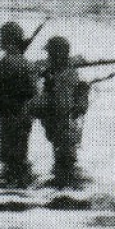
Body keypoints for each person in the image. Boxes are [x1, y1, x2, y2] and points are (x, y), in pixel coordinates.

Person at [0, 21, 40, 174]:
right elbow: (33, 89)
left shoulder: (7, 62)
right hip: (24, 115)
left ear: (8, 40)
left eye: (2, 37)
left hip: (9, 114)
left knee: (10, 159)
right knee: (20, 156)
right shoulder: (26, 63)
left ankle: (12, 183)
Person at [32, 36, 92, 176]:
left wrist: (48, 84)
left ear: (57, 55)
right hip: (64, 131)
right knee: (65, 165)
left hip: (64, 130)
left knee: (64, 166)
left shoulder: (64, 77)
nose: (48, 57)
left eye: (50, 54)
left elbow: (61, 105)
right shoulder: (65, 72)